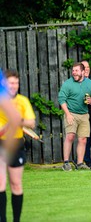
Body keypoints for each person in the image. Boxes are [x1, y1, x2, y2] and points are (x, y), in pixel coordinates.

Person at [0, 70, 29, 222]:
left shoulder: (21, 101)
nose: (14, 85)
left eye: (15, 82)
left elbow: (22, 120)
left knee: (15, 184)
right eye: (11, 82)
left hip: (13, 144)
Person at [58, 63, 91, 171]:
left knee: (83, 139)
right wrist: (68, 114)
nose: (74, 72)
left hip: (84, 114)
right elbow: (61, 100)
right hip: (71, 113)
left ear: (83, 72)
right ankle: (66, 163)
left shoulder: (89, 83)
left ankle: (80, 163)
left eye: (76, 71)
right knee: (70, 137)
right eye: (73, 70)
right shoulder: (68, 83)